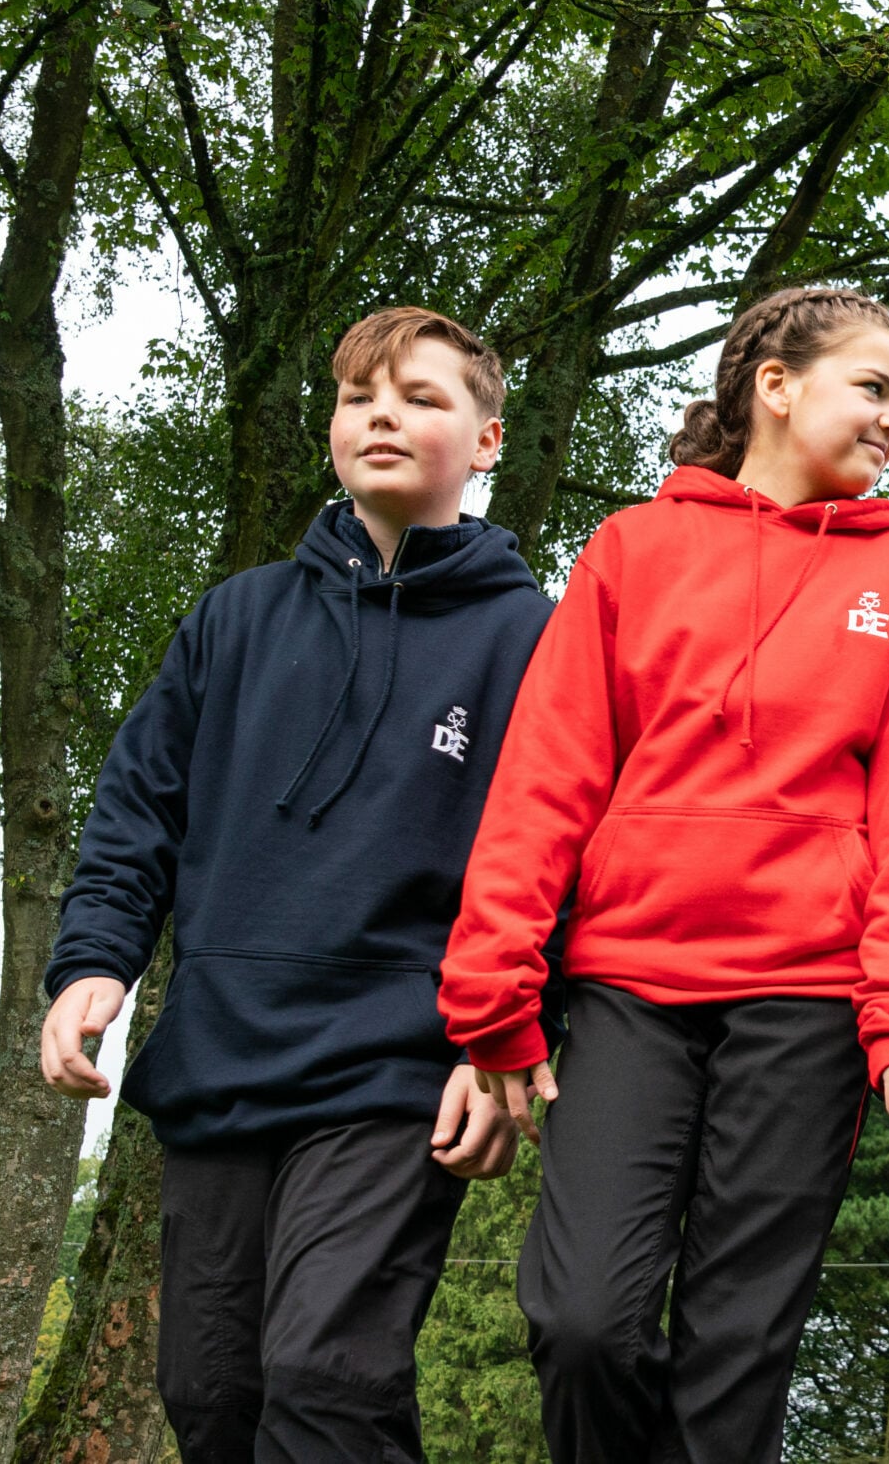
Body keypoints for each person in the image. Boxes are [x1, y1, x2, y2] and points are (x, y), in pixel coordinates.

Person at [438, 285, 889, 1463]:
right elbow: (547, 777)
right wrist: (496, 992)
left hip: (808, 1003)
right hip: (633, 988)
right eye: (873, 388)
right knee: (582, 1320)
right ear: (774, 387)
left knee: (737, 1351)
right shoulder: (634, 547)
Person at [37, 308, 552, 1460]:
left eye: (422, 397)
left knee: (329, 1380)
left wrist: (501, 1036)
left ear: (486, 441)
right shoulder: (235, 618)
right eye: (359, 395)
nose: (383, 415)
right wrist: (95, 961)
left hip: (394, 1068)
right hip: (220, 1058)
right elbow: (139, 808)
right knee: (211, 1392)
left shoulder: (533, 640)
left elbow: (549, 859)